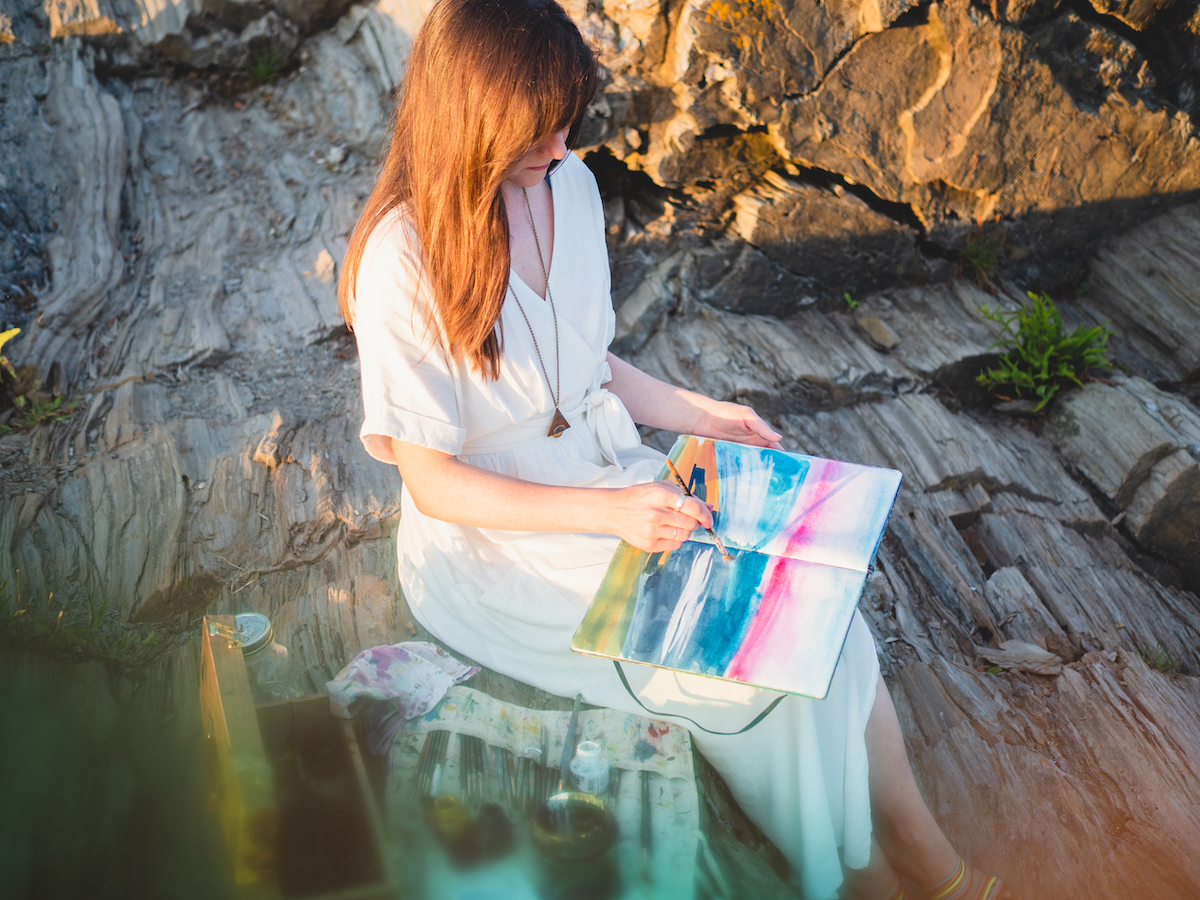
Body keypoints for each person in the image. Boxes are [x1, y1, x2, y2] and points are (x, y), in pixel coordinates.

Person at [339, 1, 1023, 897]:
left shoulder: (571, 189)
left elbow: (583, 364)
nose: (557, 147)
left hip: (619, 489)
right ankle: (854, 879)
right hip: (507, 554)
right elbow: (433, 483)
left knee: (829, 628)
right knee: (754, 683)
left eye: (564, 121)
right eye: (534, 132)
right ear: (467, 119)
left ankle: (928, 858)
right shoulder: (402, 258)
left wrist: (701, 412)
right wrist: (612, 512)